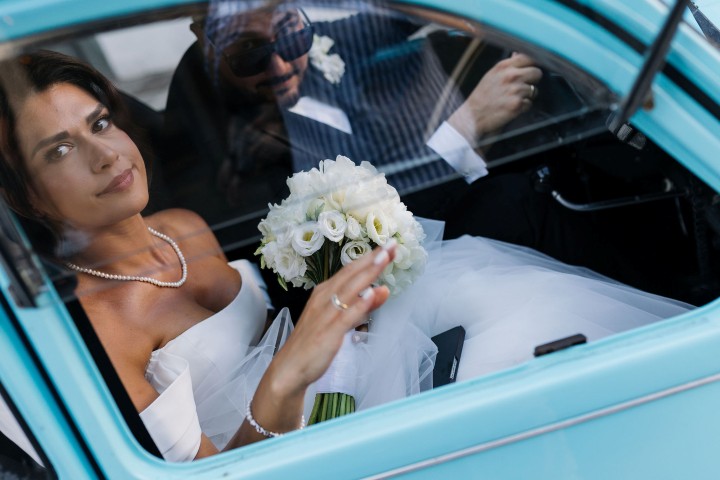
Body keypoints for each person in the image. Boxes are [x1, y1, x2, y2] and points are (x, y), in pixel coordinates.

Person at [0, 51, 693, 465]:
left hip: (352, 374)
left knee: (514, 300)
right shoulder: (95, 328)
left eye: (100, 123)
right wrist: (289, 375)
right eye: (59, 151)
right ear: (23, 194)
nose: (105, 155)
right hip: (310, 450)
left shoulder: (184, 226)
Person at [163, 0, 542, 218]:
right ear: (202, 39)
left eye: (291, 33)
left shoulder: (332, 41)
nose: (281, 68)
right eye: (249, 51)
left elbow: (404, 13)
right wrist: (467, 126)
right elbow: (352, 241)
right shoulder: (227, 143)